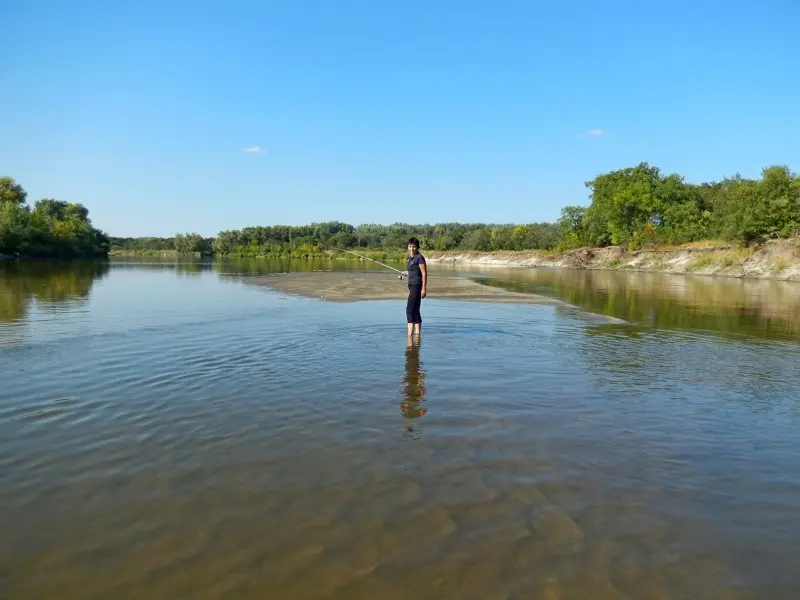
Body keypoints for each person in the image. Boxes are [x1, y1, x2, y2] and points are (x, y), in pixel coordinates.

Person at [401, 237, 426, 338]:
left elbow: (424, 274)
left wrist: (424, 289)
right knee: (415, 310)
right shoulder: (411, 259)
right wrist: (406, 272)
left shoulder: (420, 258)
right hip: (411, 286)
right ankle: (417, 335)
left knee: (409, 310)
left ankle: (409, 336)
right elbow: (414, 272)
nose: (411, 249)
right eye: (410, 246)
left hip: (416, 286)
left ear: (417, 247)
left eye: (414, 247)